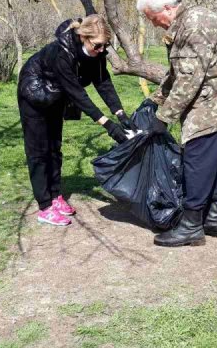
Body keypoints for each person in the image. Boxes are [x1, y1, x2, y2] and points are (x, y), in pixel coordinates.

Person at [137, 0, 217, 247]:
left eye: (154, 19)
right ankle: (214, 217)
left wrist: (164, 118)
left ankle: (191, 226)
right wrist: (155, 100)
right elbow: (178, 70)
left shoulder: (193, 26)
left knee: (196, 158)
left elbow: (189, 79)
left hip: (214, 101)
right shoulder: (191, 18)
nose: (154, 25)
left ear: (167, 8)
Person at [18, 14, 132, 225]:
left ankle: (54, 195)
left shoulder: (96, 53)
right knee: (38, 150)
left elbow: (102, 82)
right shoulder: (62, 53)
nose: (101, 51)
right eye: (97, 46)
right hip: (34, 93)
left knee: (54, 146)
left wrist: (120, 114)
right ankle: (45, 206)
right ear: (83, 37)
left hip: (55, 94)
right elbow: (77, 94)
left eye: (104, 46)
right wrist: (108, 125)